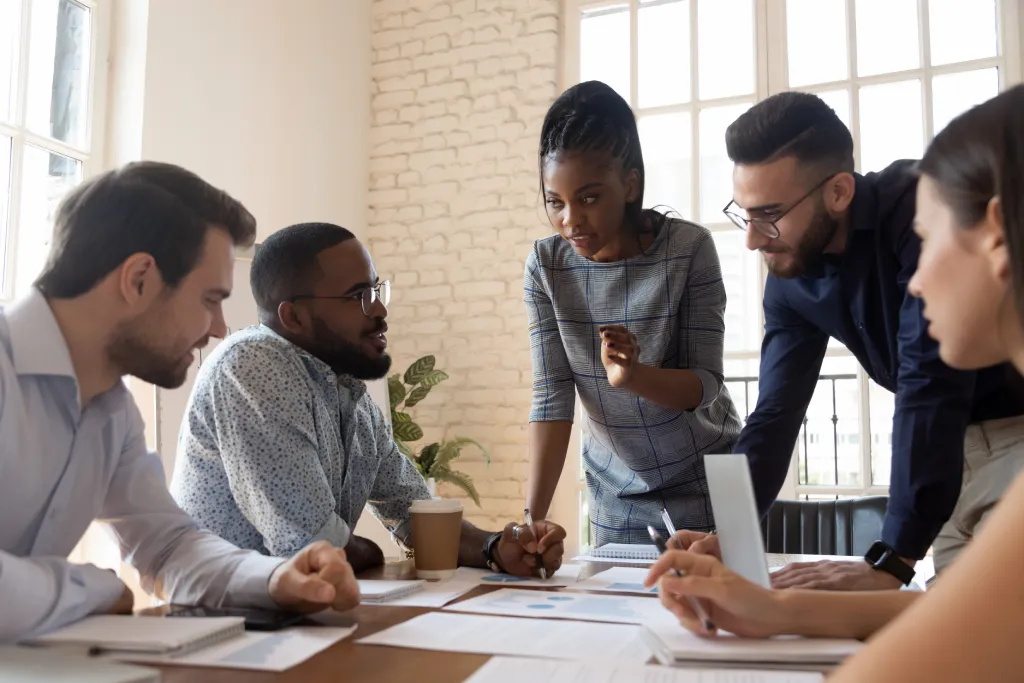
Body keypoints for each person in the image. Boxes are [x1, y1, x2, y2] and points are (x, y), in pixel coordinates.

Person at [647, 85, 1024, 682]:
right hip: (947, 455)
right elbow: (776, 412)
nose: (751, 239)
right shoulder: (789, 275)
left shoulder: (917, 206)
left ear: (839, 191)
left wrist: (892, 557)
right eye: (744, 215)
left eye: (769, 215)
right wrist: (734, 536)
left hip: (1005, 435)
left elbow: (929, 377)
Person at [0, 163, 360, 643]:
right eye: (210, 299)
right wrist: (96, 588)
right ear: (140, 279)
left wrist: (276, 580)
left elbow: (167, 547)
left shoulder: (111, 411)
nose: (218, 329)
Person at [170, 222, 566, 576]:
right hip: (222, 626)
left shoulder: (348, 394)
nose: (379, 310)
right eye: (358, 296)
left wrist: (495, 546)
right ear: (294, 318)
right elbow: (314, 548)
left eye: (377, 290)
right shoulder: (253, 365)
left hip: (294, 620)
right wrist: (369, 553)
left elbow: (417, 514)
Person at [522, 80, 743, 546]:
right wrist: (530, 522)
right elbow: (552, 398)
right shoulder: (546, 266)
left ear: (630, 184)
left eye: (588, 198)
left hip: (710, 484)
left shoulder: (688, 249)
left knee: (714, 617)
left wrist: (634, 376)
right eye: (554, 202)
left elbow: (705, 384)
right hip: (615, 496)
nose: (570, 221)